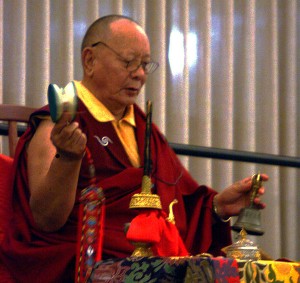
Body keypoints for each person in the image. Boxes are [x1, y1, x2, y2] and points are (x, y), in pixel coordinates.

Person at [0, 14, 268, 283]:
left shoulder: (143, 128)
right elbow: (46, 218)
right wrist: (68, 158)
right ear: (90, 60)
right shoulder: (59, 124)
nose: (139, 74)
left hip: (153, 263)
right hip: (87, 264)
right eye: (129, 62)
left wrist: (218, 206)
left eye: (144, 65)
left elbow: (176, 205)